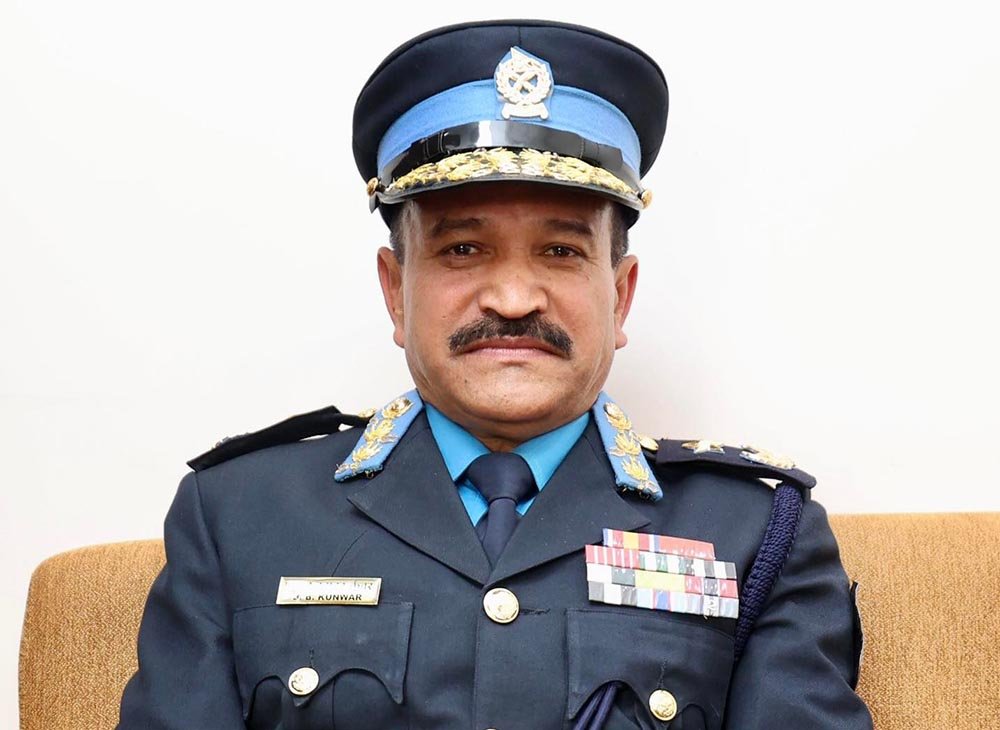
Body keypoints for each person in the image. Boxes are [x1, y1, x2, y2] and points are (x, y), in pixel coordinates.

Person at [117, 19, 872, 730]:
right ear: (395, 290)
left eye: (561, 252)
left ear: (620, 295)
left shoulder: (752, 533)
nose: (513, 299)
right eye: (463, 250)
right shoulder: (240, 516)